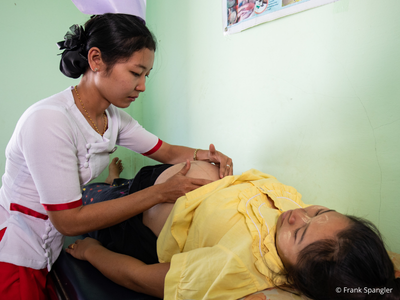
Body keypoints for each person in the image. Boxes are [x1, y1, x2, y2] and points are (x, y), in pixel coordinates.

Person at [0, 13, 233, 299]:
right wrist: (159, 193)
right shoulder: (49, 121)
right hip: (13, 250)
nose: (143, 86)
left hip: (49, 248)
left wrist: (209, 155)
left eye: (146, 75)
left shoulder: (112, 118)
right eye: (136, 73)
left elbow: (168, 152)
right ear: (96, 60)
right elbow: (69, 221)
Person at [67, 160, 400, 300]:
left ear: (298, 277)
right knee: (122, 185)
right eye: (320, 211)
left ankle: (110, 183)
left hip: (131, 220)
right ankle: (117, 180)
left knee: (88, 196)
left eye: (300, 232)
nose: (299, 214)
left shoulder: (237, 266)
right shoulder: (319, 237)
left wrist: (90, 251)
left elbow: (141, 277)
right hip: (159, 180)